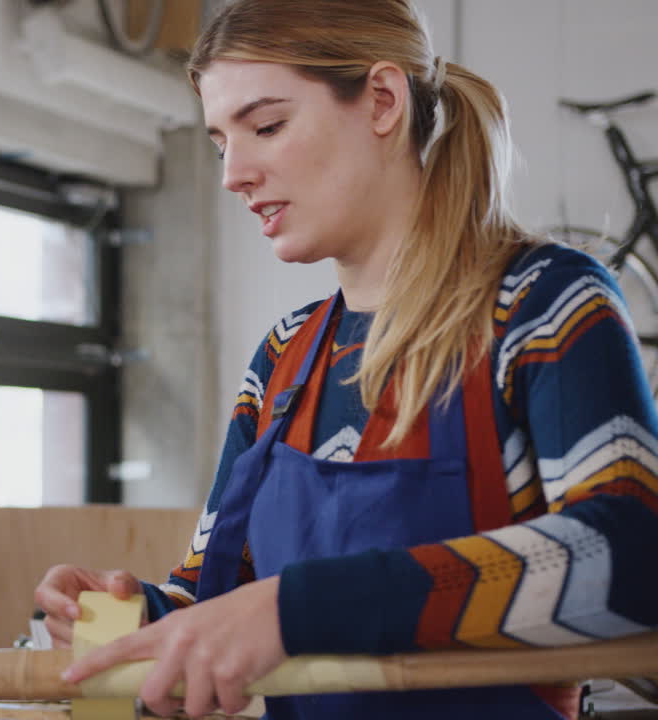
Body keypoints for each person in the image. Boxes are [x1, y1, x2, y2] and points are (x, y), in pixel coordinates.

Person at [35, 1, 658, 719]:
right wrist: (130, 617)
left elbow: (631, 557)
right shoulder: (282, 359)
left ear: (383, 101)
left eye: (266, 126)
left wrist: (302, 607)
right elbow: (217, 593)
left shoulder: (541, 304)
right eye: (219, 142)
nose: (234, 173)